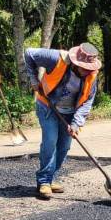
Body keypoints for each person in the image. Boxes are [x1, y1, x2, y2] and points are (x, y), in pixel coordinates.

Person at [24, 42, 101, 200]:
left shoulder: (92, 75)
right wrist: (34, 80)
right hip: (48, 107)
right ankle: (44, 181)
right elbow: (29, 53)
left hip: (69, 113)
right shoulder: (57, 58)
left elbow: (87, 102)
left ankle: (51, 177)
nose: (87, 71)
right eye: (84, 68)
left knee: (64, 147)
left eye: (89, 68)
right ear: (75, 63)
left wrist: (76, 123)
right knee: (50, 141)